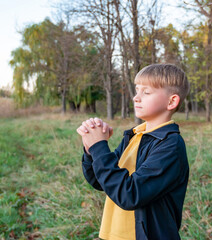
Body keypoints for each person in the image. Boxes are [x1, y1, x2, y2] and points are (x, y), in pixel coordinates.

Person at [76, 64, 190, 240]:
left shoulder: (170, 146)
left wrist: (100, 147)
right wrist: (91, 150)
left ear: (171, 101)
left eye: (146, 92)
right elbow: (102, 181)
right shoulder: (134, 136)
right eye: (137, 91)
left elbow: (130, 194)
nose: (136, 98)